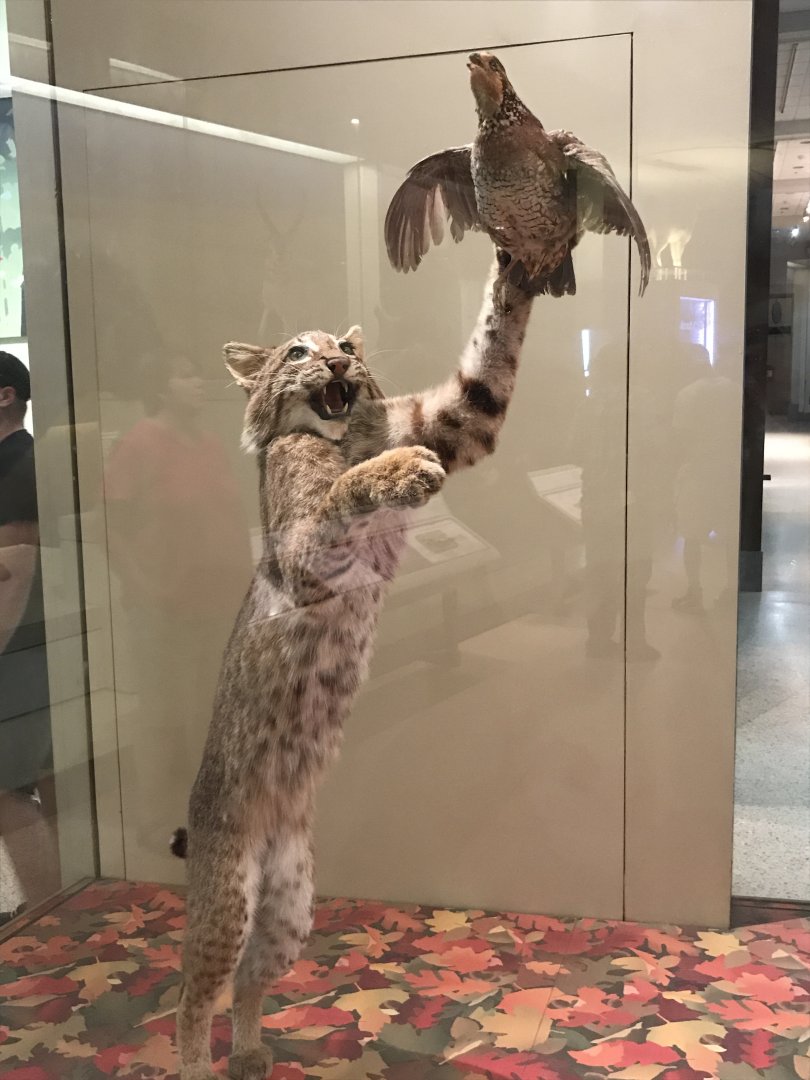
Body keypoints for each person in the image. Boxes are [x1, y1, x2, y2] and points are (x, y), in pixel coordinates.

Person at [0, 351, 60, 923]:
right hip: (35, 646)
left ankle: (47, 913)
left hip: (17, 648)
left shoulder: (17, 462)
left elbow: (13, 572)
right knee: (41, 777)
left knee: (8, 790)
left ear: (6, 396)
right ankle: (63, 900)